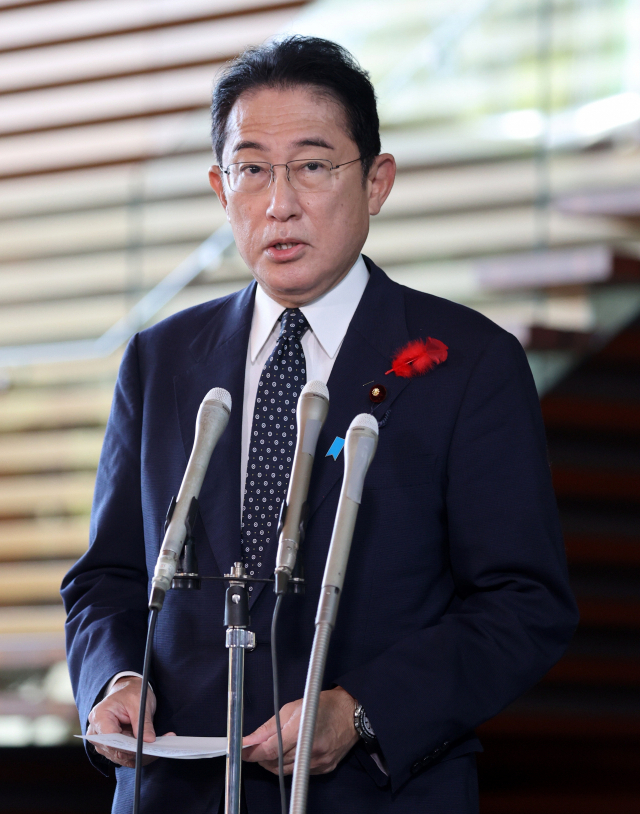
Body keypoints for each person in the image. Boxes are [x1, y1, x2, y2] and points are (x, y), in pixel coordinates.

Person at [62, 36, 578, 814]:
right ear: (220, 188)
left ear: (377, 181)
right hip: (176, 789)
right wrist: (114, 678)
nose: (279, 203)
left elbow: (522, 602)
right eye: (252, 170)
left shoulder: (469, 362)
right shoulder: (159, 358)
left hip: (371, 793)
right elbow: (107, 576)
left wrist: (363, 710)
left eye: (311, 165)